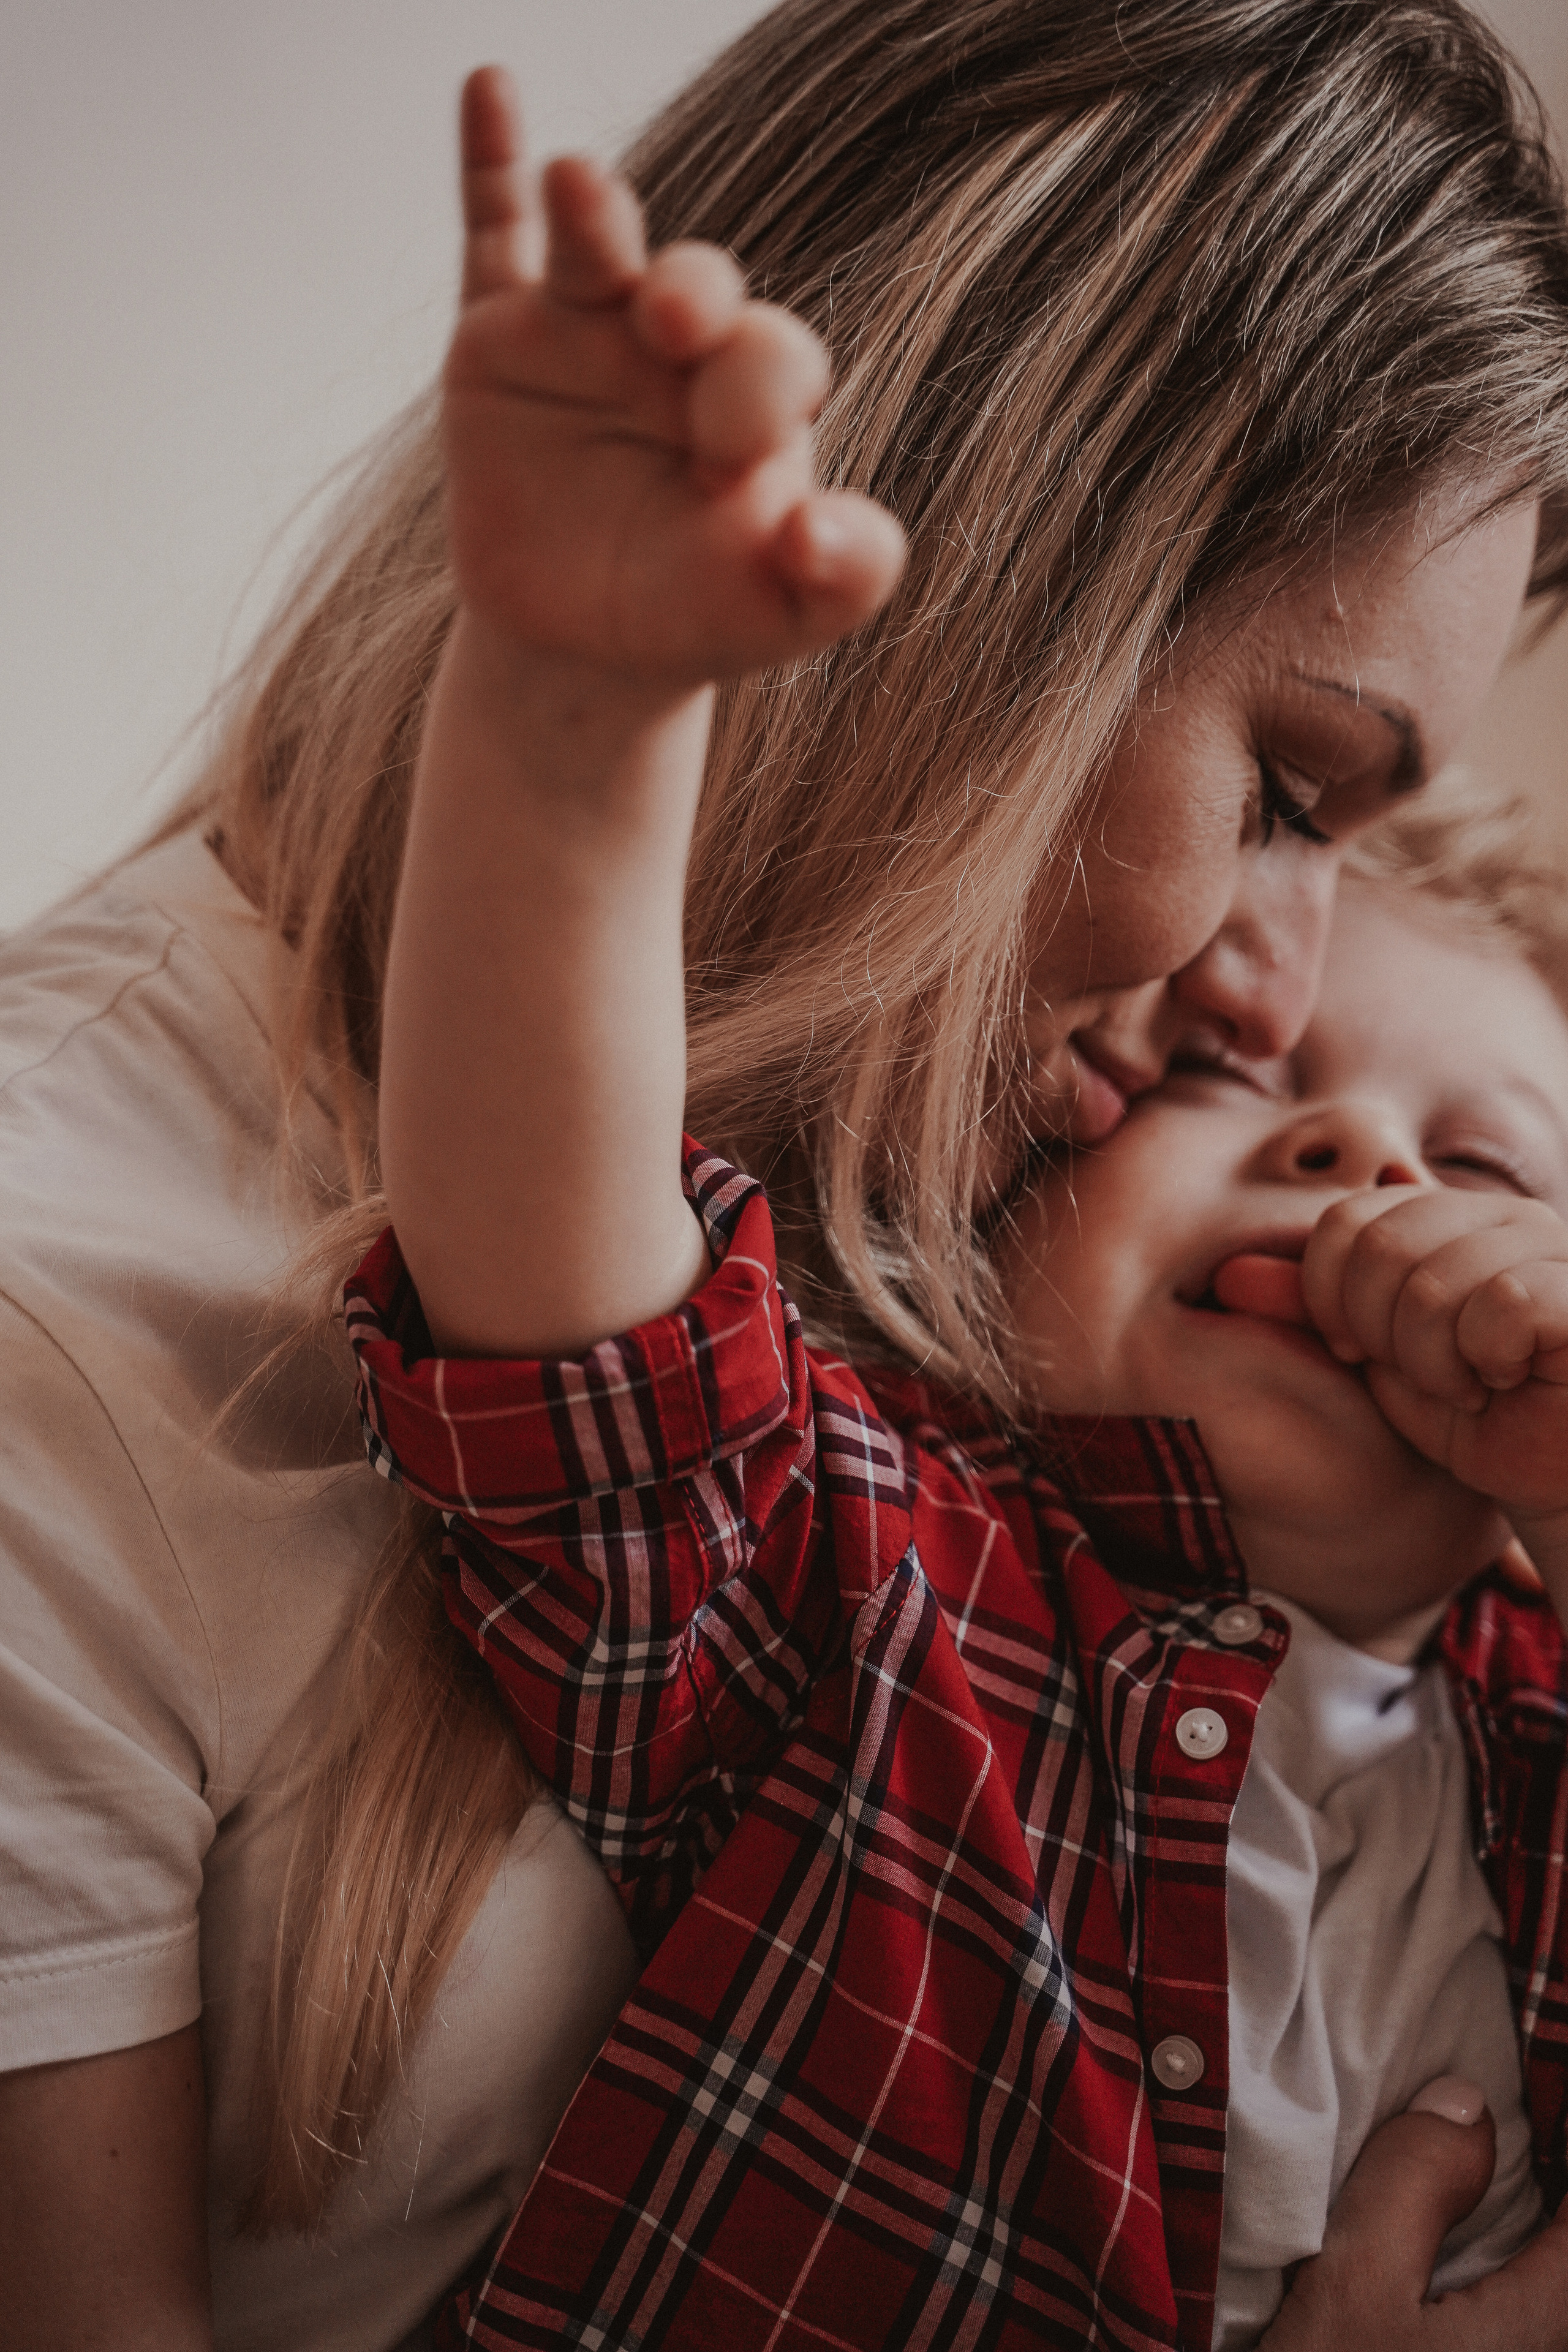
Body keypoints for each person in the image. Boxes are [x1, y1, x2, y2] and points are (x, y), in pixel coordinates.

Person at [6, 1, 1568, 2345]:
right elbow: (565, 1285)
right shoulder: (872, 1543)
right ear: (996, 600)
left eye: (1484, 1173)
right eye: (1285, 790)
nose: (1277, 1022)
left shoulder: (1500, 1692)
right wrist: (582, 704)